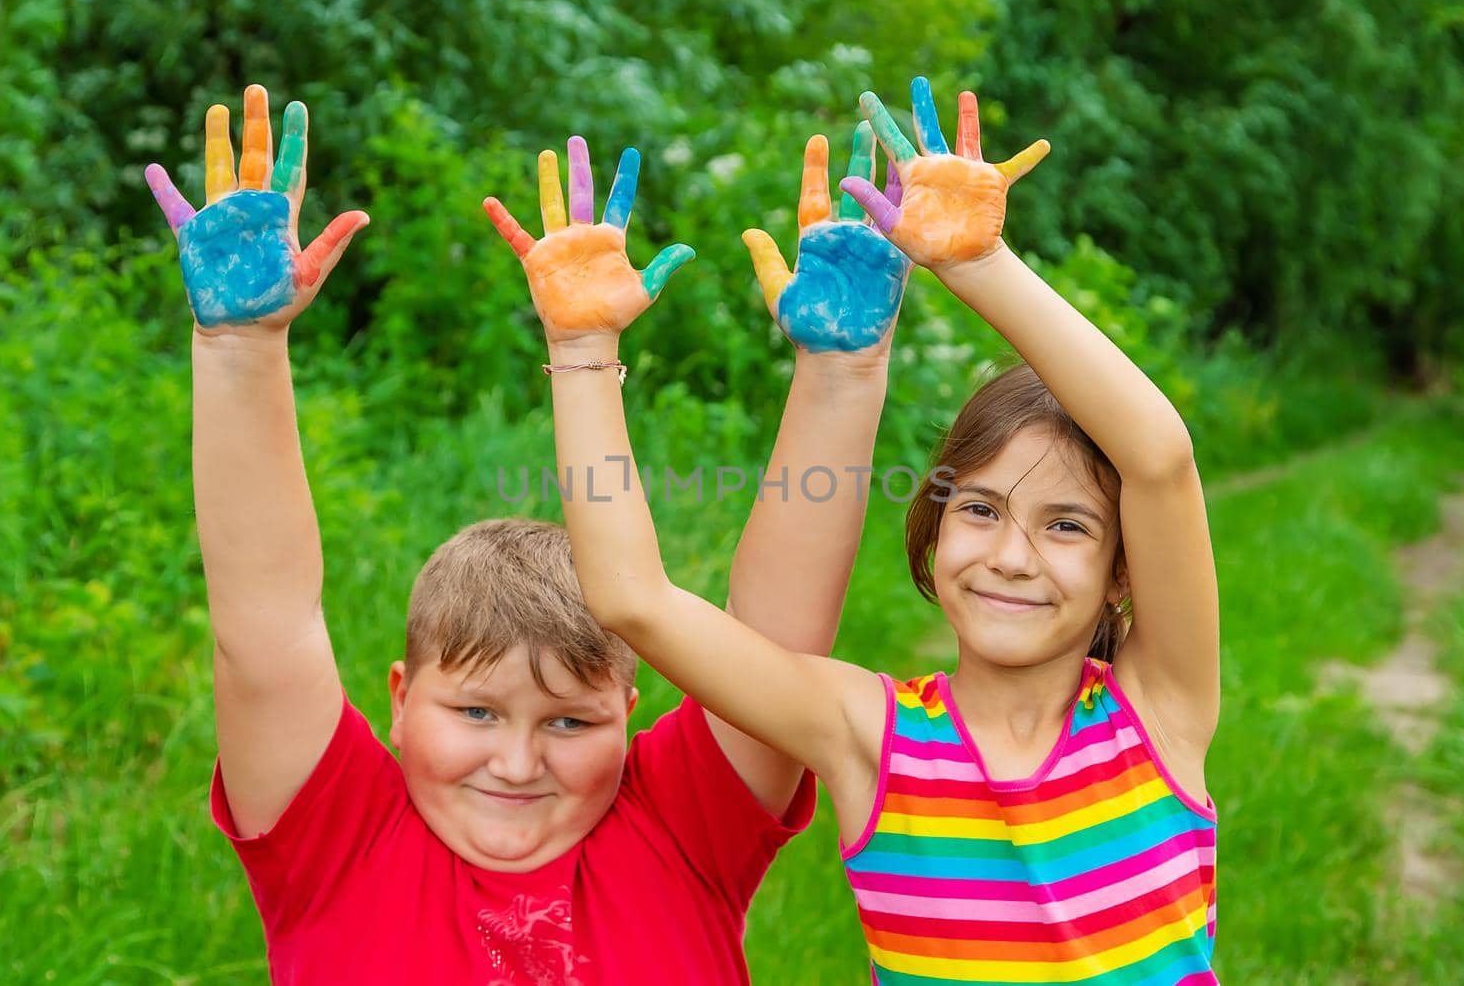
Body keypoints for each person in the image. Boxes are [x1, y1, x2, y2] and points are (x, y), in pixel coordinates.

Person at [146, 83, 907, 984]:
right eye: (474, 710)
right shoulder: (335, 836)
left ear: (629, 716)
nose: (516, 762)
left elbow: (778, 638)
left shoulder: (681, 827)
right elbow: (263, 627)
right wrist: (237, 346)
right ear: (399, 697)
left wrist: (842, 373)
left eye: (570, 721)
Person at [539, 76, 1221, 983]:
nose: (1012, 556)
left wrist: (978, 265)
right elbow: (632, 598)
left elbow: (1160, 460)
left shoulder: (1158, 714)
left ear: (1121, 571)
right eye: (980, 509)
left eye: (1066, 526)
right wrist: (583, 350)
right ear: (936, 532)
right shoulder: (867, 734)